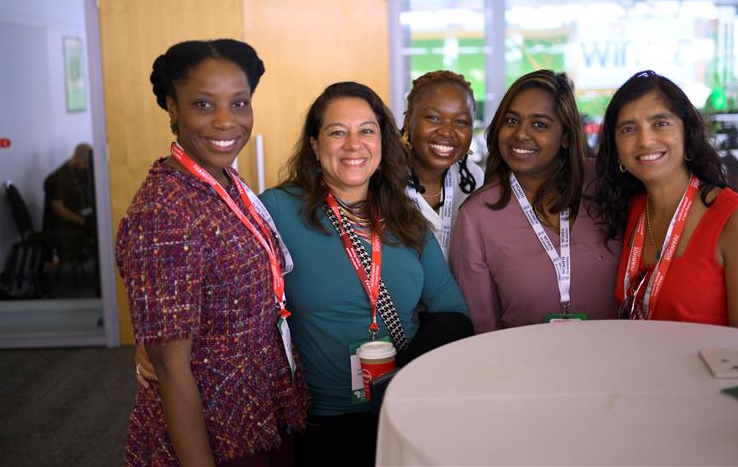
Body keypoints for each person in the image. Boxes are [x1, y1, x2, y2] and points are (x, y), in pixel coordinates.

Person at [117, 39, 308, 466]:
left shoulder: (221, 182)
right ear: (172, 108)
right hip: (213, 432)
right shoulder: (164, 211)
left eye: (239, 103)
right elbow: (169, 368)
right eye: (204, 105)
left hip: (257, 411)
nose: (226, 122)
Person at [260, 81, 470, 466]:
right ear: (314, 144)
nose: (353, 145)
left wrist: (405, 371)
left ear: (382, 141)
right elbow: (222, 279)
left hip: (403, 409)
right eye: (337, 132)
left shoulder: (407, 219)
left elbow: (453, 312)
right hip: (320, 422)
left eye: (366, 131)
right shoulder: (276, 210)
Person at [593, 70, 738, 331]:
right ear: (617, 150)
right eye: (629, 129)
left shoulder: (737, 221)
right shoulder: (632, 208)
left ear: (687, 134)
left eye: (660, 123)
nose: (645, 140)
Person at [450, 70, 620, 334]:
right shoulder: (477, 216)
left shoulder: (607, 184)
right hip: (523, 366)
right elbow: (483, 328)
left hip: (619, 357)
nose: (521, 134)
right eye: (511, 121)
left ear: (565, 135)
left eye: (539, 124)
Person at [401, 70, 484, 258]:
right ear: (408, 121)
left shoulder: (473, 178)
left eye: (461, 121)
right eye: (433, 118)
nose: (447, 132)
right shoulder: (382, 178)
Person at [43, 143, 95, 265]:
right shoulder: (60, 176)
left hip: (79, 217)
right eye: (86, 163)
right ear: (78, 158)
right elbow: (58, 208)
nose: (87, 167)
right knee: (96, 226)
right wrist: (81, 221)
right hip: (63, 224)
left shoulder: (80, 172)